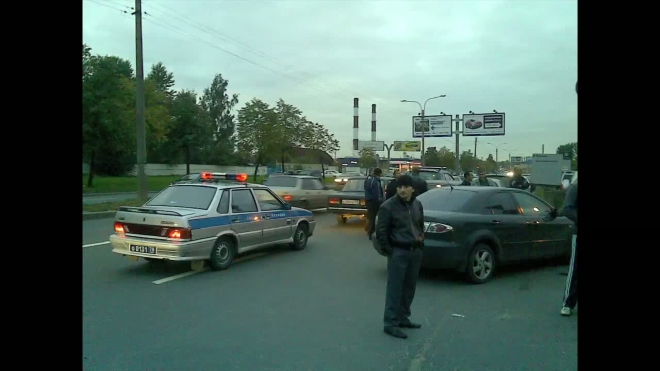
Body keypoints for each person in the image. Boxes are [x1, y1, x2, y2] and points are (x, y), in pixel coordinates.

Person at [376, 174, 425, 339]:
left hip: (415, 252)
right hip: (398, 252)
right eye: (399, 187)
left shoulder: (417, 204)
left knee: (409, 287)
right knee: (395, 289)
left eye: (405, 187)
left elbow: (420, 225)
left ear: (412, 189)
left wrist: (420, 242)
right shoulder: (388, 206)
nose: (402, 190)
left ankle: (403, 317)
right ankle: (390, 323)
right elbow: (381, 232)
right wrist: (390, 251)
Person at [364, 167, 384, 240]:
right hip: (374, 202)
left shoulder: (369, 180)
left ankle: (370, 231)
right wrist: (380, 201)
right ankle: (372, 233)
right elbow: (377, 193)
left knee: (371, 217)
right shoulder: (375, 181)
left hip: (369, 201)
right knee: (374, 217)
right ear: (380, 173)